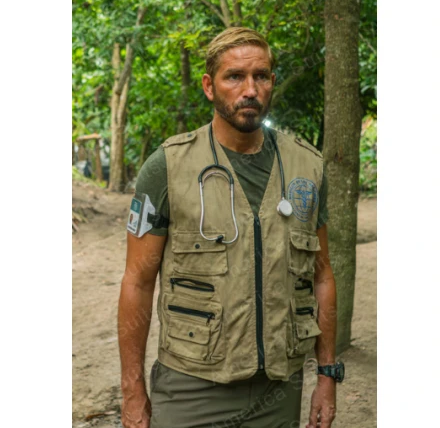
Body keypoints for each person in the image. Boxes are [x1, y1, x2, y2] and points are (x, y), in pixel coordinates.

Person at [118, 27, 341, 428]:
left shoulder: (307, 167)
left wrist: (327, 376)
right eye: (235, 76)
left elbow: (322, 276)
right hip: (190, 387)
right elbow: (137, 281)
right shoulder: (167, 167)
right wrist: (132, 390)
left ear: (272, 81)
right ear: (209, 86)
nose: (250, 89)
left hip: (278, 389)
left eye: (261, 76)